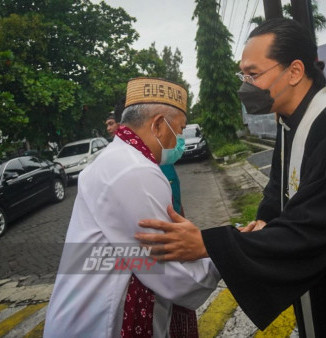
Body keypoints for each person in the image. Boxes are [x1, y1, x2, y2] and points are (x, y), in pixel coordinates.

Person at [136, 18, 326, 337]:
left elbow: (312, 229)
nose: (245, 85)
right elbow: (279, 191)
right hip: (315, 287)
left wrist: (208, 244)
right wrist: (265, 221)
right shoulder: (291, 121)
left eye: (253, 74)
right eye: (243, 74)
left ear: (295, 72)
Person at [44, 77, 220, 337]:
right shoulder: (135, 170)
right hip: (97, 324)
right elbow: (169, 271)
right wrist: (225, 252)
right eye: (180, 129)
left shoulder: (118, 157)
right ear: (159, 125)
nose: (181, 139)